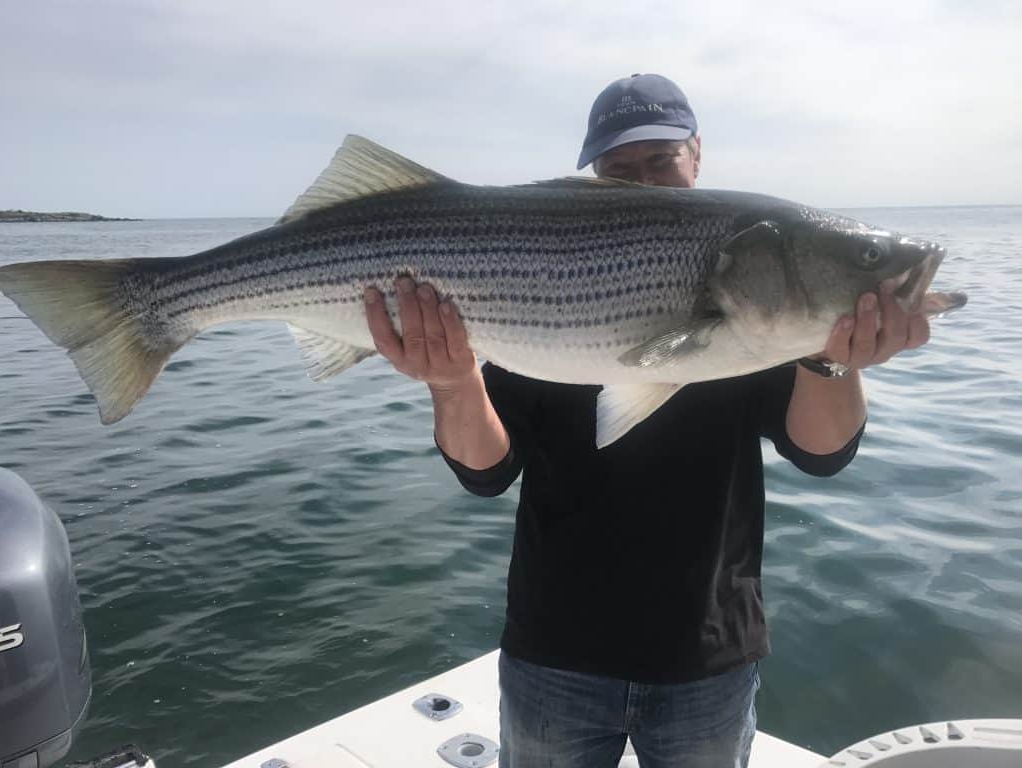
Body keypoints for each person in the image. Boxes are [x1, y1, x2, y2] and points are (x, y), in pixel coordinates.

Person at [362, 74, 932, 768]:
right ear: (593, 178)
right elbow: (485, 471)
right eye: (619, 170)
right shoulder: (541, 271)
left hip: (709, 655)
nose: (644, 183)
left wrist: (833, 361)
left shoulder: (767, 300)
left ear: (697, 153)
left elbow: (820, 453)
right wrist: (453, 382)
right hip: (556, 652)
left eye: (660, 159)